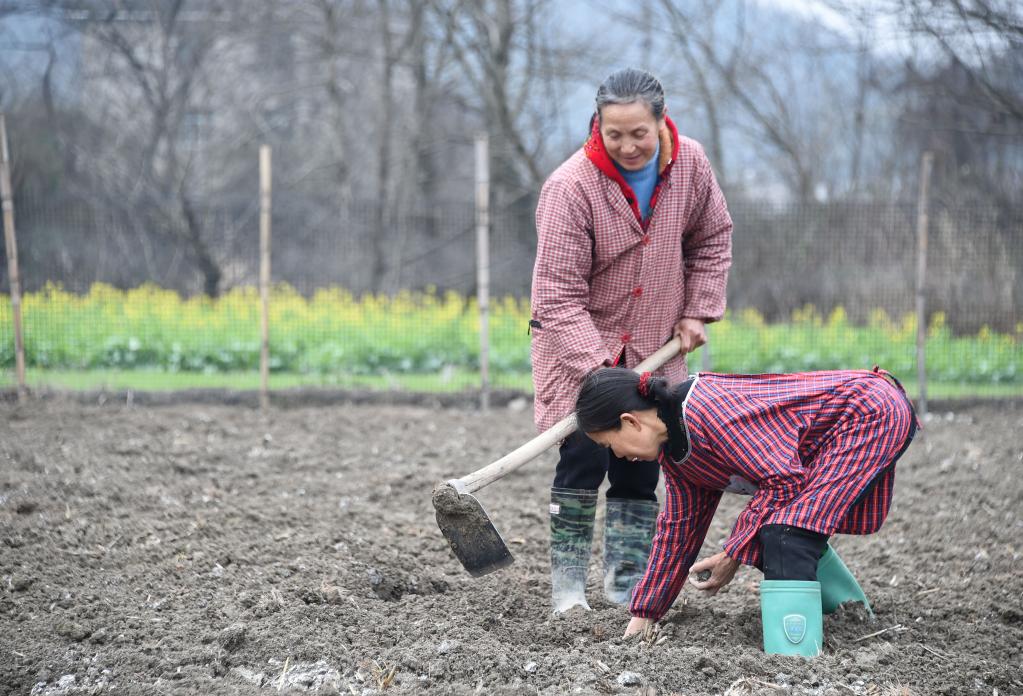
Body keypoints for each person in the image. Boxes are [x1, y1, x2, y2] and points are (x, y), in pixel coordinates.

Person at [530, 67, 733, 613]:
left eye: (638, 133)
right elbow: (555, 293)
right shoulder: (571, 188)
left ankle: (627, 586)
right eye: (613, 134)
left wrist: (697, 311)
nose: (627, 146)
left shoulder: (689, 163)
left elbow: (713, 238)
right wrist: (604, 371)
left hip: (656, 347)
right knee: (581, 459)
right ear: (597, 125)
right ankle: (569, 591)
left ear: (660, 122)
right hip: (581, 356)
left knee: (642, 465)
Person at [574, 366, 918, 655]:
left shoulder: (706, 411)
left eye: (609, 444)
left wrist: (732, 554)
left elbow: (783, 480)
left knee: (784, 532)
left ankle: (793, 659)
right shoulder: (676, 454)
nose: (617, 457)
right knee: (779, 528)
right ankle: (852, 615)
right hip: (852, 421)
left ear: (630, 422)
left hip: (869, 413)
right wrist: (643, 617)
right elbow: (677, 534)